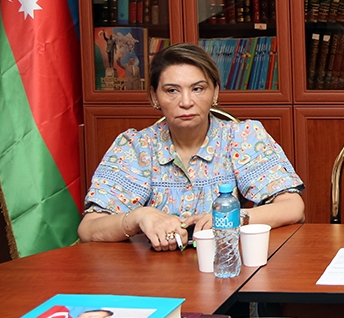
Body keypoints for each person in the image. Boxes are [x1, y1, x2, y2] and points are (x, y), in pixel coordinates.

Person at [78, 43, 305, 250]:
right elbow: (88, 229)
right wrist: (139, 217)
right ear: (154, 97)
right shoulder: (136, 147)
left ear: (215, 92)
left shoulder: (242, 137)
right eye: (172, 90)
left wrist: (233, 218)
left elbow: (293, 207)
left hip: (227, 266)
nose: (186, 102)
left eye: (197, 89)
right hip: (152, 273)